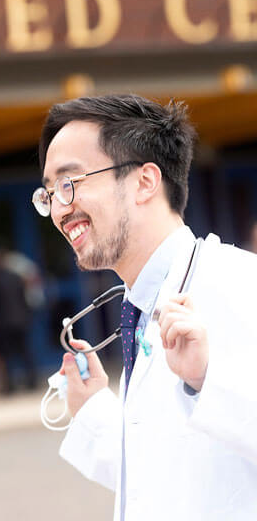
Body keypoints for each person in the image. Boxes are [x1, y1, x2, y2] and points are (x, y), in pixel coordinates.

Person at [34, 94, 257, 520]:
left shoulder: (242, 284)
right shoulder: (138, 308)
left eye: (70, 183)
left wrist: (207, 379)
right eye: (49, 194)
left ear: (144, 181)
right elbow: (171, 477)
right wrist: (95, 411)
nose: (60, 209)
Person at [0, 247, 37, 394]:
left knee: (7, 355)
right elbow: (25, 298)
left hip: (4, 323)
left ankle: (9, 386)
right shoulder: (16, 278)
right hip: (20, 320)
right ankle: (32, 381)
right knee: (25, 352)